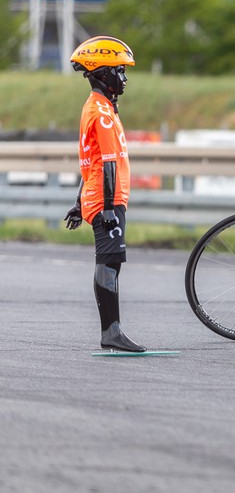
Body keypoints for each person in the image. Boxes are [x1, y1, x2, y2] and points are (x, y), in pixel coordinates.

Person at [63, 36, 146, 353]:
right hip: (107, 200)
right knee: (108, 263)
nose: (124, 78)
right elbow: (108, 165)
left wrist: (78, 202)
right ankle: (111, 332)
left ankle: (112, 330)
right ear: (101, 73)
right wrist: (109, 209)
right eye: (119, 71)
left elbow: (90, 161)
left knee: (111, 262)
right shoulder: (103, 114)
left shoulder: (96, 107)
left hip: (98, 196)